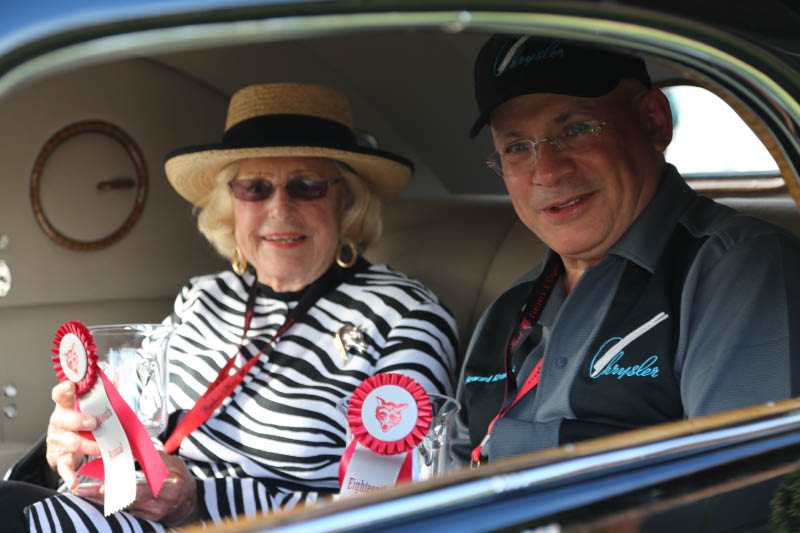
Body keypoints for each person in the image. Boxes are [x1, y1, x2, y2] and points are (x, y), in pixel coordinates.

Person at [3, 82, 457, 530]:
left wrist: (199, 503)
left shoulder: (404, 316)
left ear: (347, 199)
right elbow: (128, 425)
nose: (280, 209)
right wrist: (72, 443)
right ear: (231, 203)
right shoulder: (203, 296)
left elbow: (389, 507)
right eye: (256, 188)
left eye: (306, 186)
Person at [453, 34, 800, 465]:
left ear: (653, 122)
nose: (547, 172)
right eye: (517, 147)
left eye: (576, 129)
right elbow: (450, 471)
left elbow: (743, 483)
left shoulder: (739, 269)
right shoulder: (508, 312)